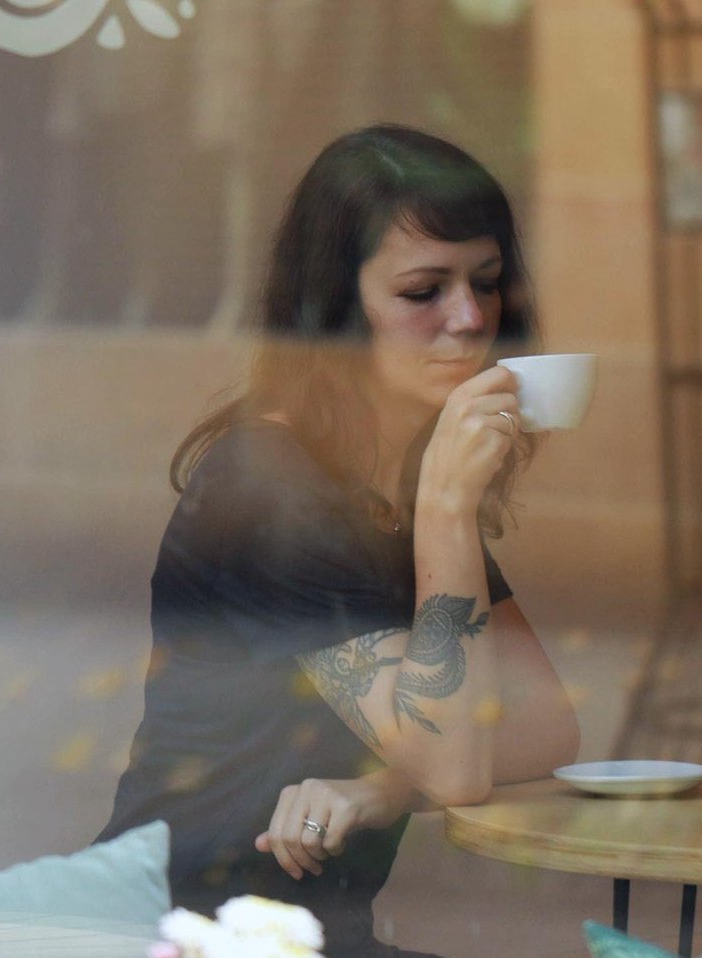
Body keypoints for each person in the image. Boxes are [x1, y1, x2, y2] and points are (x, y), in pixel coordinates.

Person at [96, 124, 580, 958]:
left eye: (487, 282)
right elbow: (461, 767)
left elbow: (544, 728)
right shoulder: (274, 489)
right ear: (333, 309)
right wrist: (443, 509)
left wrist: (382, 788)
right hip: (185, 937)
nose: (469, 319)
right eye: (423, 291)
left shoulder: (390, 480)